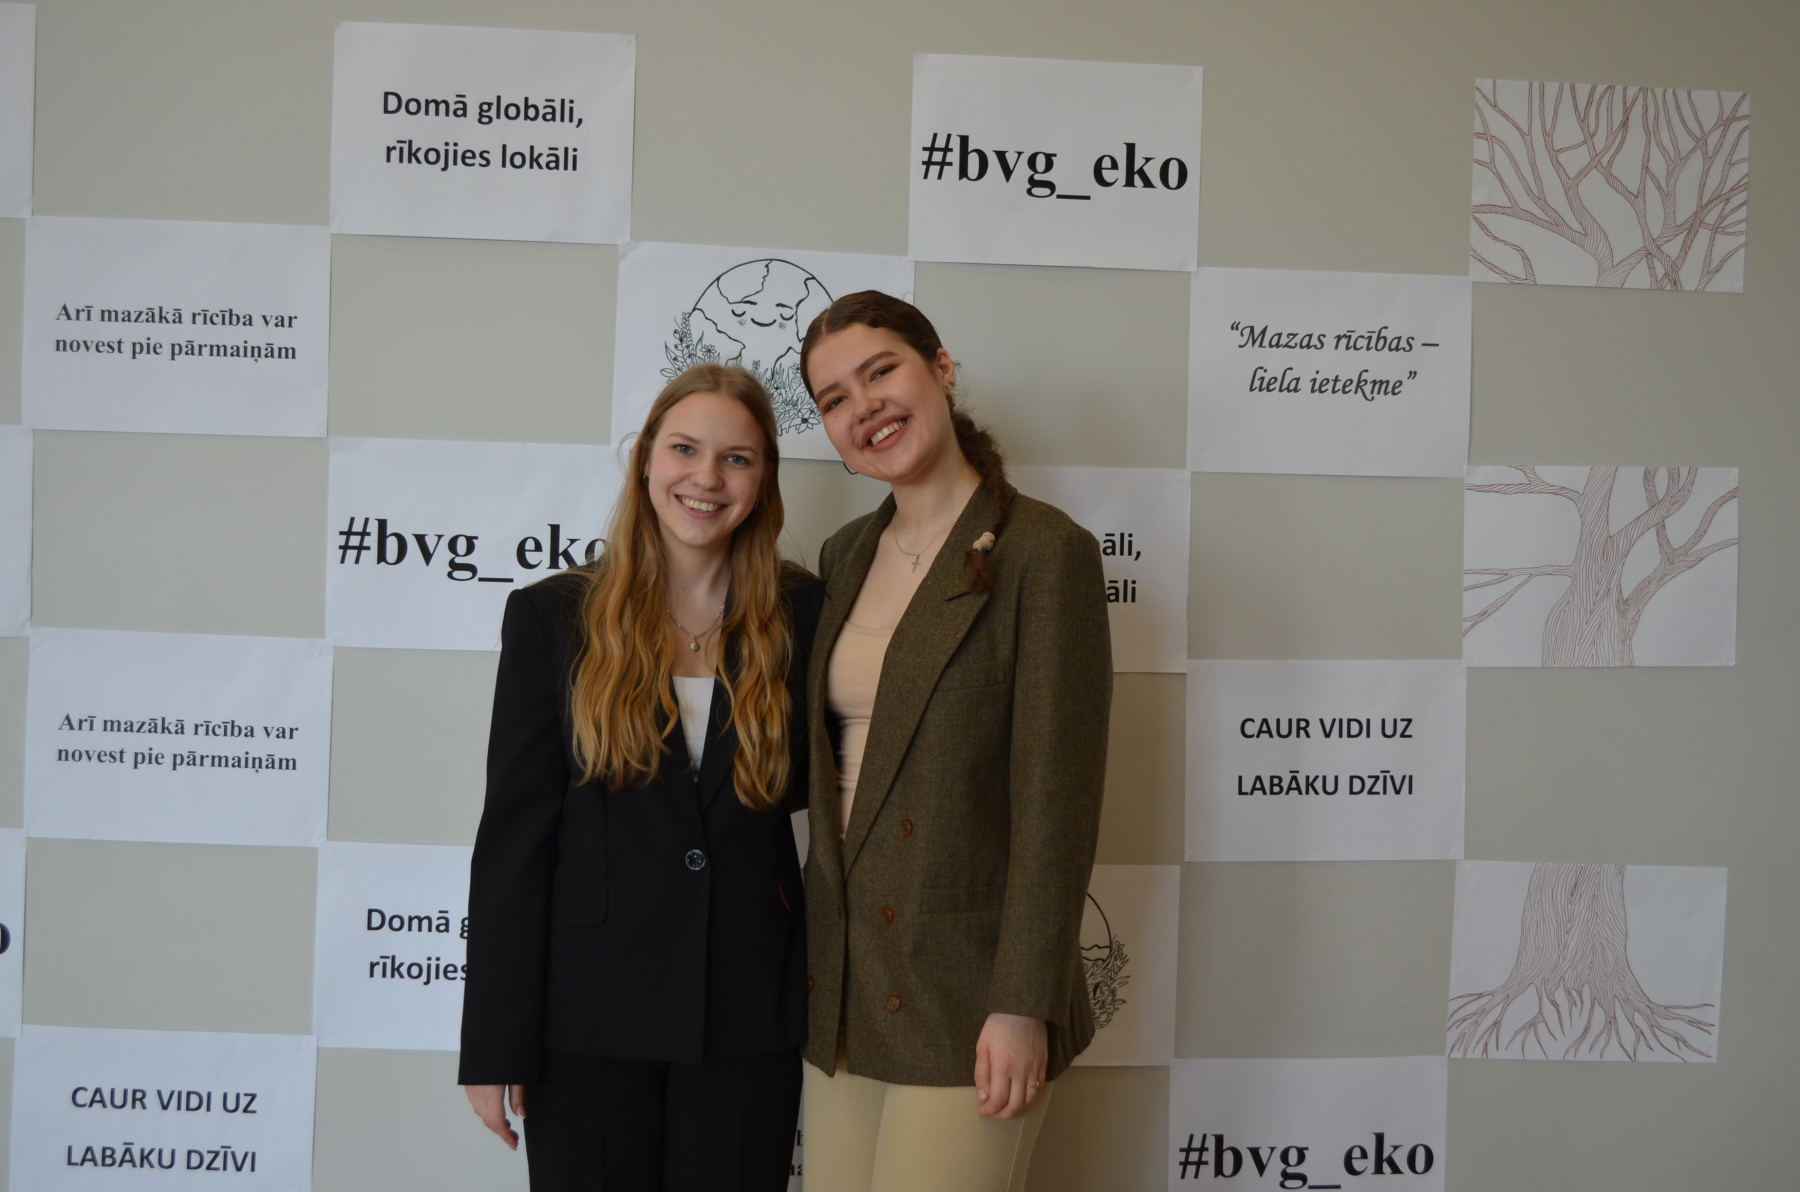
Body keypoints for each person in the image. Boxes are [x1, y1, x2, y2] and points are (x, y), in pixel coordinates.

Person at [458, 363, 823, 1192]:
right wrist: (494, 1044)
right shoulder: (553, 617)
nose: (707, 478)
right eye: (685, 449)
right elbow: (514, 843)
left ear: (763, 479)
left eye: (736, 458)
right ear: (646, 460)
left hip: (746, 1012)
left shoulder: (804, 617)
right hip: (584, 1019)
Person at [795, 292, 1112, 1192]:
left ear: (941, 369)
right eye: (834, 399)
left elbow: (1056, 803)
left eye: (881, 372)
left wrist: (1022, 1004)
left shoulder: (1044, 552)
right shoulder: (843, 554)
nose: (864, 407)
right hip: (843, 987)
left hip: (971, 993)